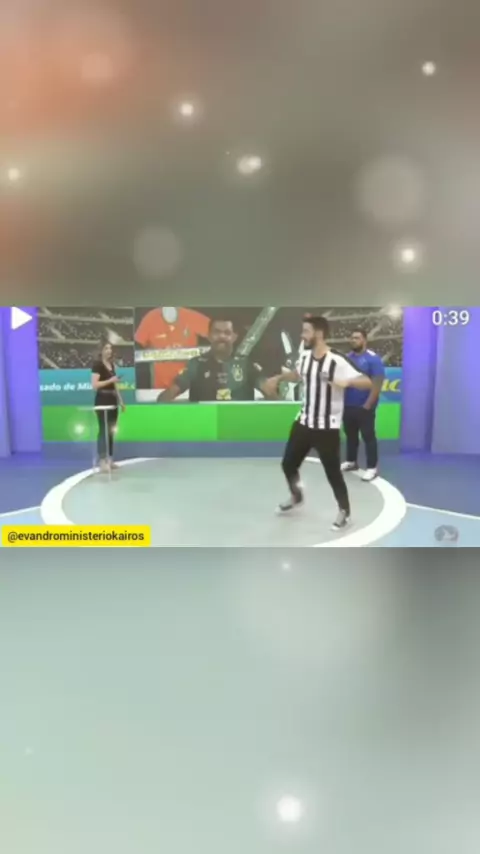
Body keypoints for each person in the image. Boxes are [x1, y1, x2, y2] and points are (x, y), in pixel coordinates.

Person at [275, 316, 372, 531]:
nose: (302, 335)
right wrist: (278, 378)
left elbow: (367, 382)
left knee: (333, 473)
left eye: (306, 331)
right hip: (303, 422)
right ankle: (297, 495)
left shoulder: (336, 360)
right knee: (288, 464)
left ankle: (345, 511)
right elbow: (298, 375)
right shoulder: (304, 357)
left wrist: (347, 381)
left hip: (327, 428)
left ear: (318, 333)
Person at [157, 317, 280, 402]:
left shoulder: (246, 364)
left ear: (234, 337)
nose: (221, 336)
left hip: (240, 427)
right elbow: (169, 394)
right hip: (205, 427)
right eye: (216, 332)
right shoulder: (196, 364)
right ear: (209, 336)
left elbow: (269, 393)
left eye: (227, 333)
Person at [341, 328, 385, 481]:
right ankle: (351, 461)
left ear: (365, 340)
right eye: (352, 338)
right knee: (350, 435)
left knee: (368, 436)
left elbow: (377, 383)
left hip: (365, 406)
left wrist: (368, 404)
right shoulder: (347, 358)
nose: (353, 340)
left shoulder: (373, 359)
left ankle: (372, 468)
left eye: (357, 338)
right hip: (348, 405)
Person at [134, 306, 210, 391]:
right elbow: (137, 345)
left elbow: (215, 332)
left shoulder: (190, 316)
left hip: (189, 386)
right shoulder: (150, 318)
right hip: (160, 388)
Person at [91, 341, 126, 472]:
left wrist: (121, 401)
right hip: (102, 400)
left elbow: (114, 385)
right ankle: (102, 461)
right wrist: (110, 380)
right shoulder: (97, 365)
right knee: (103, 430)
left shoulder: (111, 365)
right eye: (106, 348)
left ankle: (110, 459)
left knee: (111, 431)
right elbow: (95, 385)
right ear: (101, 350)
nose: (109, 351)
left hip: (112, 400)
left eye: (110, 348)